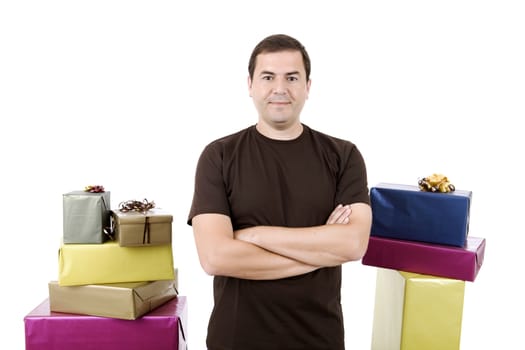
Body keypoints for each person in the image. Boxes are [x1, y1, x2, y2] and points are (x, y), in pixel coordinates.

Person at [187, 34, 372, 350]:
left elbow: (353, 244)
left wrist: (254, 235)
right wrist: (321, 250)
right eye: (268, 77)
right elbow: (216, 257)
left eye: (292, 77)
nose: (280, 88)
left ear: (307, 87)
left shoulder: (343, 156)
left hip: (319, 339)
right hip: (236, 340)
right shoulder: (218, 156)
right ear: (250, 85)